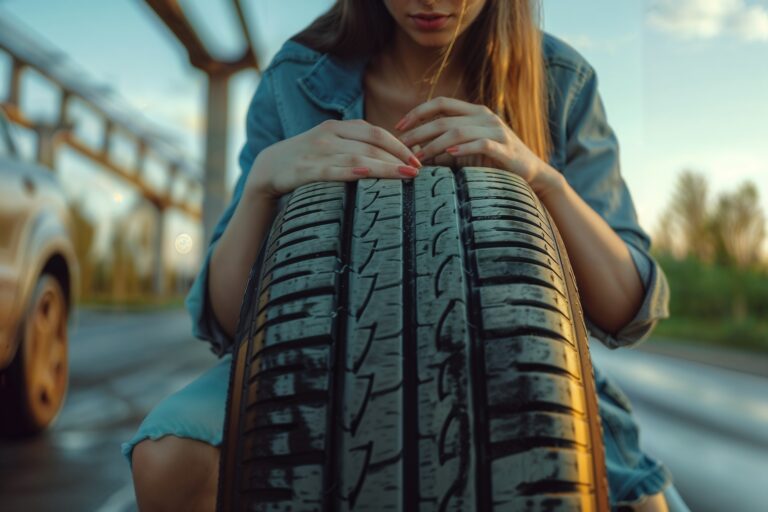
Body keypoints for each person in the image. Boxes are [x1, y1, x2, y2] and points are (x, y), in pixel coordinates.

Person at [121, 1, 690, 510]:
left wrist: (543, 179)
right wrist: (262, 183)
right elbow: (226, 322)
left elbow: (628, 308)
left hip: (522, 350)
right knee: (169, 456)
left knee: (644, 503)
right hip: (314, 350)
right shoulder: (295, 78)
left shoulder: (561, 81)